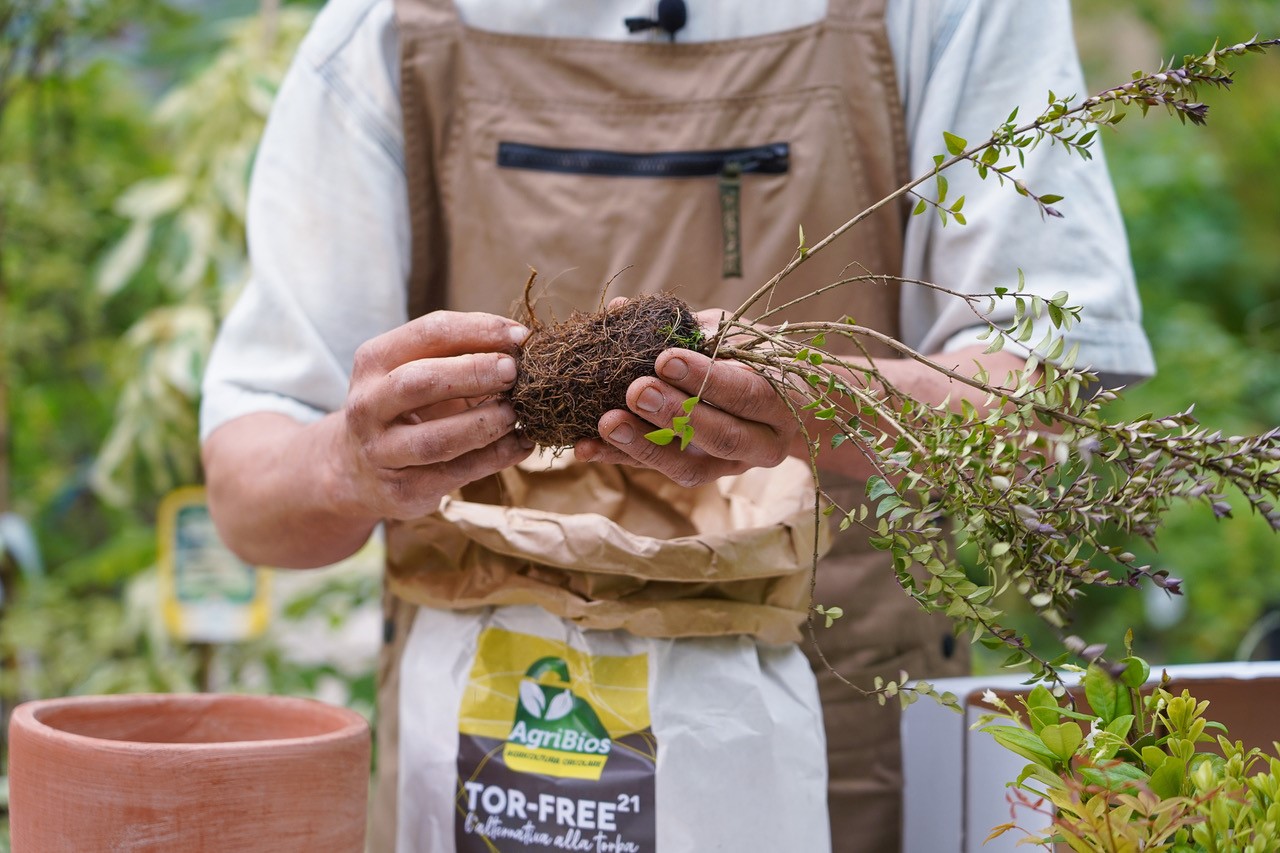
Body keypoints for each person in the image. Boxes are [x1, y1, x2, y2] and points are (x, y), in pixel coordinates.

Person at [200, 0, 1155, 850]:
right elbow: (249, 497)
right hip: (483, 759)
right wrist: (348, 460)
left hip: (835, 743)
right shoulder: (386, 30)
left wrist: (813, 400)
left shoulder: (953, 11)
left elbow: (1045, 411)